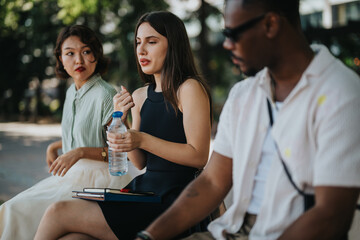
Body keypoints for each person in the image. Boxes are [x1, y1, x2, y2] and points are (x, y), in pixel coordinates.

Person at [132, 0, 360, 240]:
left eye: (233, 33)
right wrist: (149, 236)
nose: (227, 44)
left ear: (270, 24)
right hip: (231, 230)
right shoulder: (244, 94)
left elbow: (331, 216)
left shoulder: (342, 95)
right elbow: (211, 182)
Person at [34, 11, 213, 240]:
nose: (141, 50)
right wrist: (123, 122)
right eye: (138, 42)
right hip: (143, 193)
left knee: (58, 211)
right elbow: (139, 161)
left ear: (174, 44)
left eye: (152, 41)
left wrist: (142, 138)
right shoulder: (139, 96)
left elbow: (199, 156)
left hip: (174, 201)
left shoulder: (189, 89)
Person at [0, 25, 133, 240]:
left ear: (96, 55)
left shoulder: (107, 95)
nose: (78, 60)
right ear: (60, 59)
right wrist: (56, 146)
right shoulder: (72, 90)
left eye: (86, 51)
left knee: (18, 210)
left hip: (99, 181)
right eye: (70, 53)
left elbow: (119, 153)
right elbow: (84, 134)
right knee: (11, 209)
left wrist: (78, 152)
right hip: (71, 176)